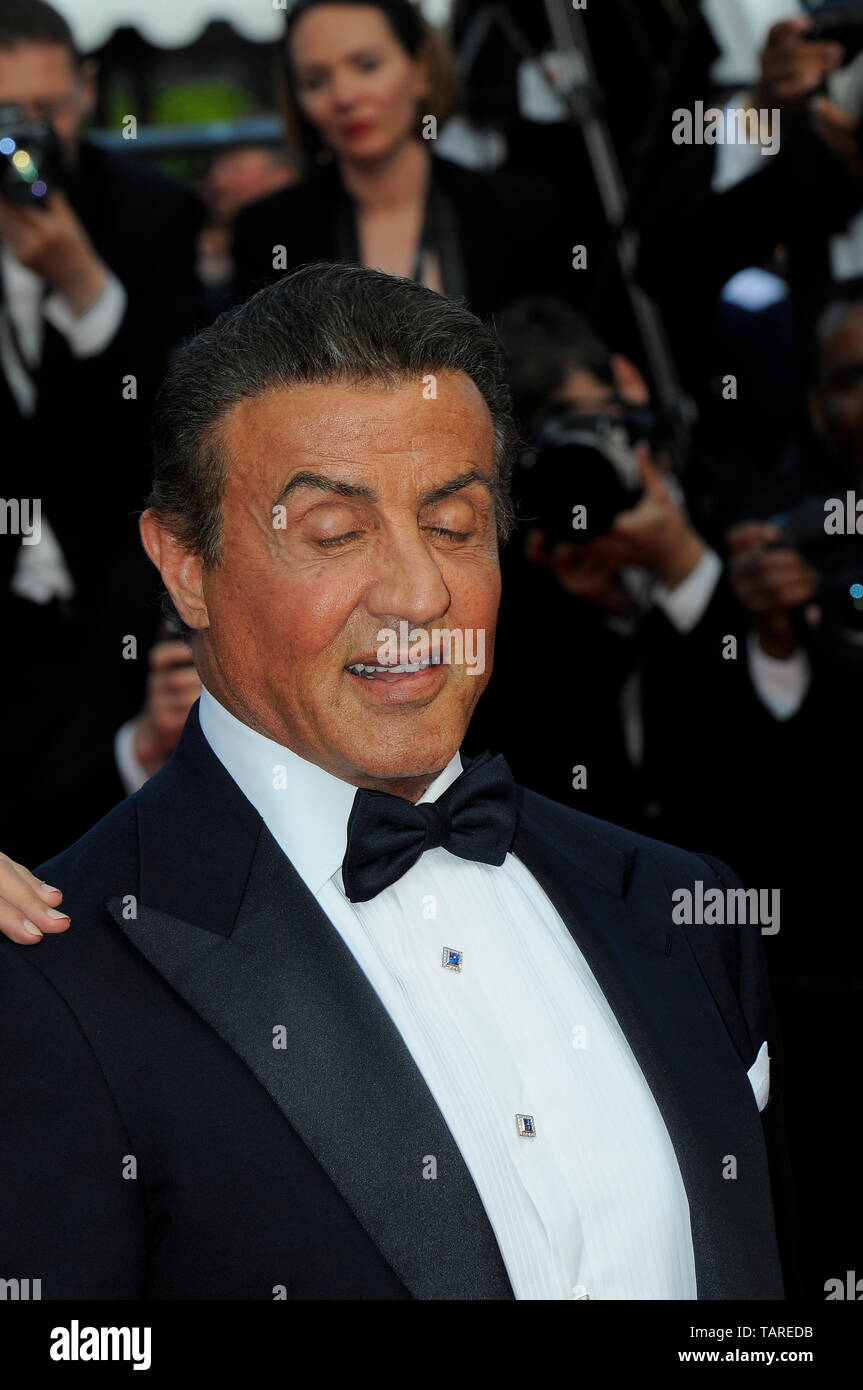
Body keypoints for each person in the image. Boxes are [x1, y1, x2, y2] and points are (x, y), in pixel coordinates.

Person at [0, 262, 795, 1301]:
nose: (420, 591)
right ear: (184, 564)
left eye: (455, 525)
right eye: (334, 533)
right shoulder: (53, 982)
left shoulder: (680, 911)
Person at [0, 0, 205, 860]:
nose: (23, 140)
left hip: (118, 599)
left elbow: (181, 421)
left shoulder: (150, 215)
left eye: (43, 112)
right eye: (2, 118)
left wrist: (86, 288)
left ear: (86, 91)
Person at [230, 0, 574, 318]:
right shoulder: (265, 232)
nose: (344, 96)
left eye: (367, 66)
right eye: (315, 81)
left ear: (421, 69)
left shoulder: (523, 212)